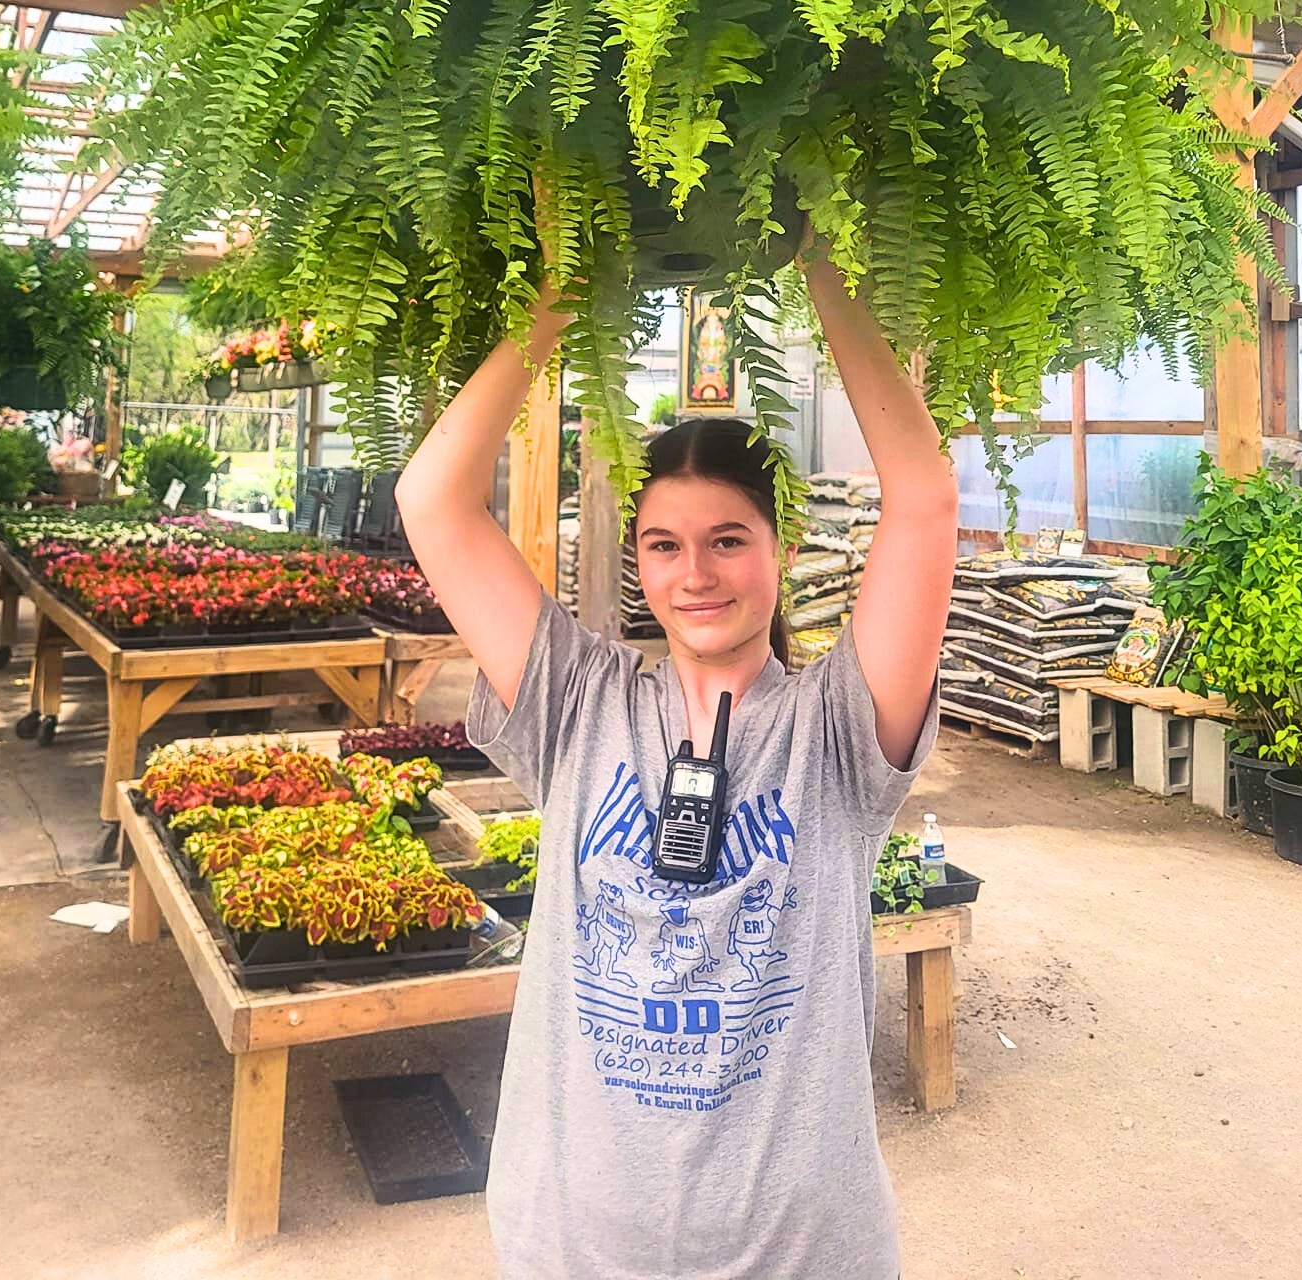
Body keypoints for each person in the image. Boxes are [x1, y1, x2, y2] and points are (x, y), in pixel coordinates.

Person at [395, 244, 957, 1280]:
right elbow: (432, 498)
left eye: (728, 538)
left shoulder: (836, 730)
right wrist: (569, 283)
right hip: (573, 1245)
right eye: (662, 543)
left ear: (779, 549)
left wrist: (822, 255)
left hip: (800, 1254)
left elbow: (922, 495)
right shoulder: (578, 699)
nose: (694, 572)